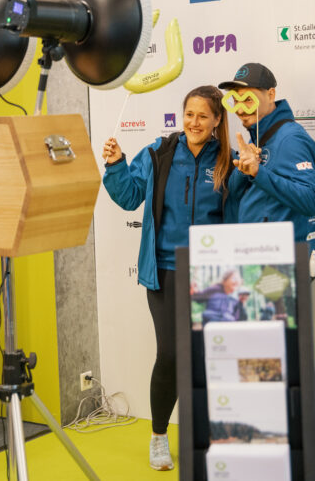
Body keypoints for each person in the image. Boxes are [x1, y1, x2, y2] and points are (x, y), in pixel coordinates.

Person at [102, 85, 232, 472]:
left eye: (203, 116)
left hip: (214, 274)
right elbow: (128, 197)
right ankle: (159, 436)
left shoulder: (229, 159)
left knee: (212, 359)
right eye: (189, 114)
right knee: (172, 355)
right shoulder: (160, 152)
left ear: (217, 121)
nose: (194, 122)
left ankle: (211, 436)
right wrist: (116, 165)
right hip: (165, 271)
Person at [220, 62, 315, 246]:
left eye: (249, 99)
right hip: (258, 256)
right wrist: (244, 171)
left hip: (281, 263)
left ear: (271, 94)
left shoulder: (290, 138)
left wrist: (259, 172)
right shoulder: (256, 138)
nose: (241, 109)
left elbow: (311, 201)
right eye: (235, 100)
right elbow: (236, 194)